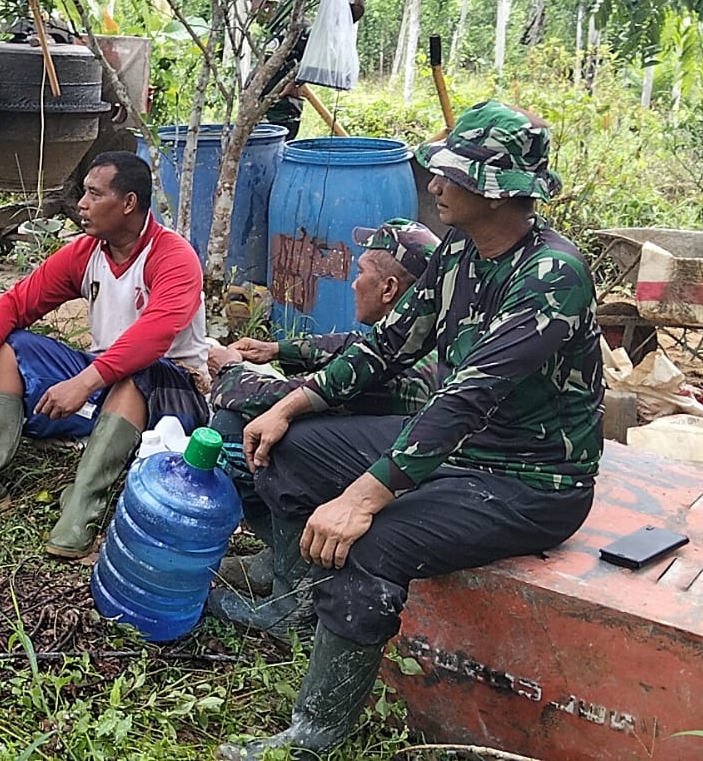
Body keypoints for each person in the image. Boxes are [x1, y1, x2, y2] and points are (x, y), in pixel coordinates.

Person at [215, 101, 602, 761]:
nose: (435, 184)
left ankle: (312, 734)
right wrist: (291, 402)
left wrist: (363, 496)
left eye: (453, 174)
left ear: (500, 190)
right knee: (292, 446)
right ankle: (299, 602)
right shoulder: (457, 248)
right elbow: (385, 346)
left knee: (378, 544)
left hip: (527, 478)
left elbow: (465, 397)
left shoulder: (550, 277)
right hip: (458, 447)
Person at [0, 151, 211, 559]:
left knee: (135, 371)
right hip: (105, 377)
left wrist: (84, 382)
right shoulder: (88, 252)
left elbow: (154, 336)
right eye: (82, 193)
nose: (81, 204)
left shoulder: (172, 256)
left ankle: (80, 511)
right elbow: (16, 304)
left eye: (93, 194)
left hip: (173, 389)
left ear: (128, 203)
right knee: (10, 346)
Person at [205, 218, 441, 603]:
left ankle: (291, 592)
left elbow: (280, 397)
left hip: (402, 486)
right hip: (400, 464)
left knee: (249, 430)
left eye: (360, 272)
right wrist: (277, 350)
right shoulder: (427, 333)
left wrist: (229, 370)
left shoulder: (407, 373)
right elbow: (354, 346)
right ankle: (280, 557)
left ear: (389, 289)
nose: (352, 283)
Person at [245, 0, 308, 141]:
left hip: (282, 108)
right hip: (264, 105)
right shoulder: (271, 30)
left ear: (268, 2)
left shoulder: (295, 28)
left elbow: (312, 57)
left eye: (254, 1)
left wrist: (294, 84)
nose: (252, 8)